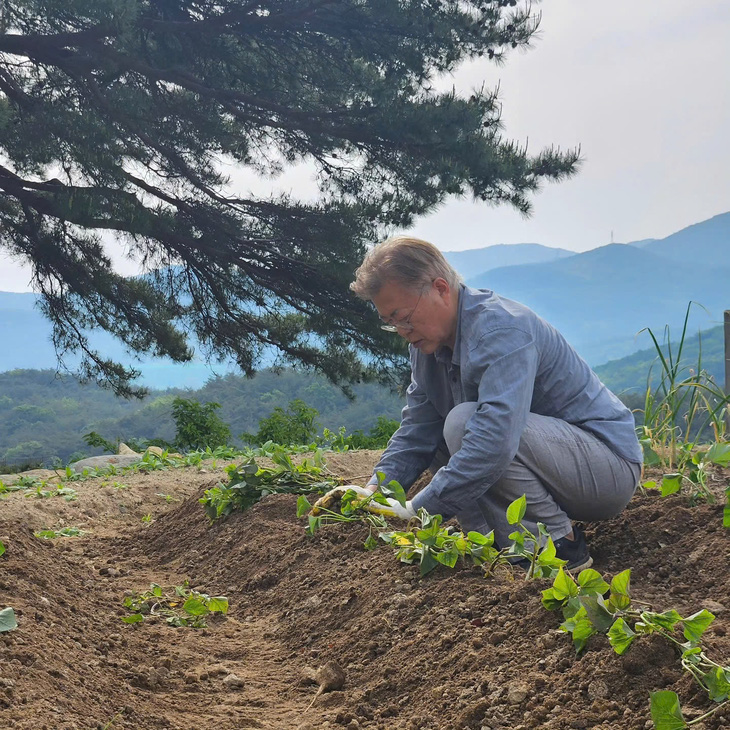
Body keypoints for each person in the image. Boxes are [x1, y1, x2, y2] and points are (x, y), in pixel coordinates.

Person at [349, 236, 643, 570]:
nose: (401, 330)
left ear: (441, 288)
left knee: (466, 424)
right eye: (391, 322)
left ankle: (557, 548)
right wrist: (377, 489)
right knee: (443, 434)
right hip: (554, 461)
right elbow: (418, 429)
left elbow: (496, 440)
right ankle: (494, 546)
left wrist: (419, 508)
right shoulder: (425, 348)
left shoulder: (501, 330)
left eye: (403, 316)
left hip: (606, 468)